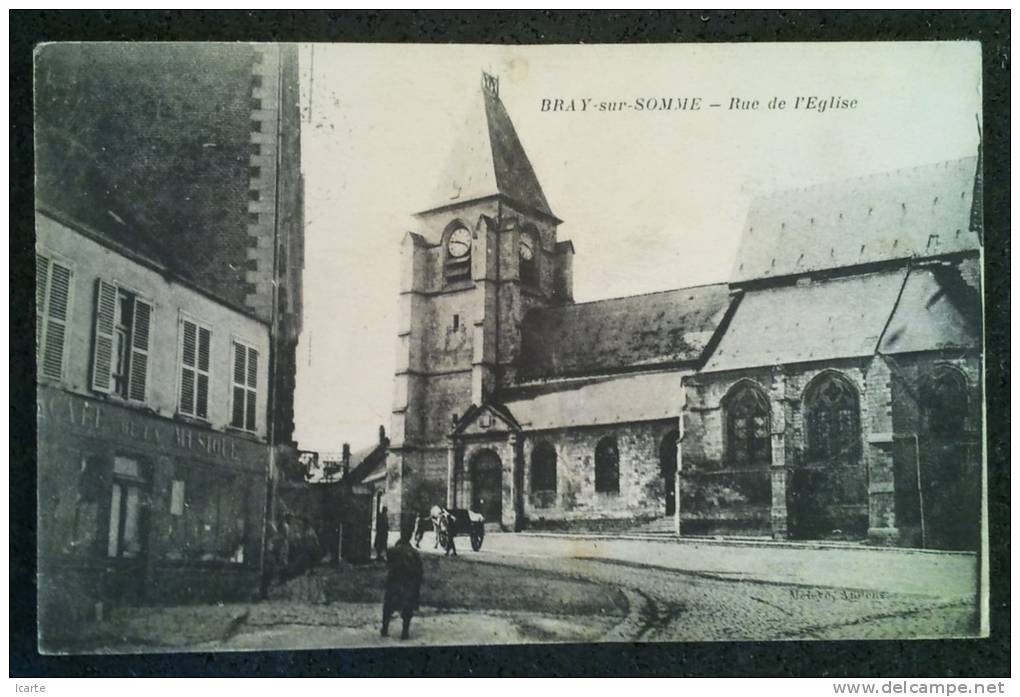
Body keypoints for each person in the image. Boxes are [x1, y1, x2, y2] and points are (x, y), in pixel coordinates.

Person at [381, 514, 424, 640]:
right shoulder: (414, 553)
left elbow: (388, 564)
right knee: (407, 609)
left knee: (388, 606)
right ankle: (405, 632)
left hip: (394, 582)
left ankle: (384, 628)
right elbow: (419, 571)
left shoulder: (393, 550)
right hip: (408, 584)